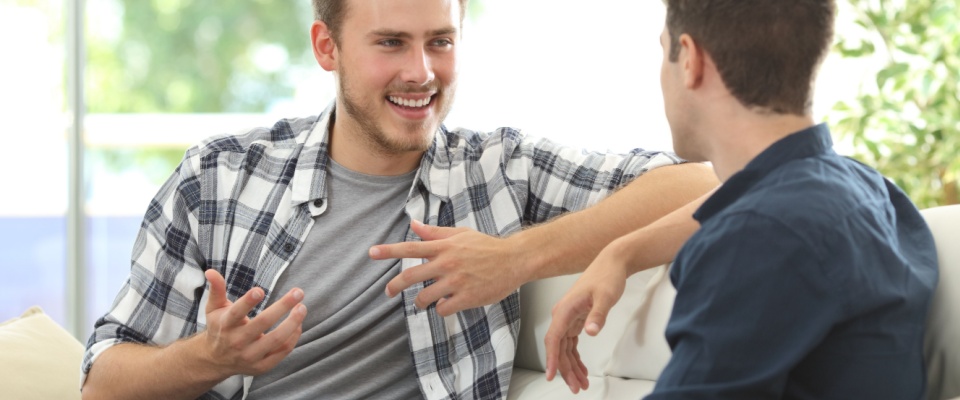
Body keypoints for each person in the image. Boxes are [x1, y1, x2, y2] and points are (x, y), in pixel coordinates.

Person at [80, 0, 718, 399]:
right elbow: (102, 384)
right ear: (327, 48)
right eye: (391, 43)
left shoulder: (498, 168)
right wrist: (208, 357)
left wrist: (517, 258)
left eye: (440, 40)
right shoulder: (217, 178)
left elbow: (704, 181)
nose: (422, 71)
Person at [544, 0, 939, 398]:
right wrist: (621, 253)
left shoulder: (761, 236)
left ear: (691, 62)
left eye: (664, 52)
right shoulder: (867, 187)